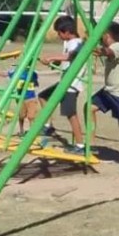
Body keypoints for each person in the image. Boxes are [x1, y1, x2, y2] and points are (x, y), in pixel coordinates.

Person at [34, 16, 89, 153]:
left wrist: (51, 57)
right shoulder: (69, 43)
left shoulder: (78, 43)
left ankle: (80, 146)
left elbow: (70, 57)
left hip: (71, 85)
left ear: (67, 31)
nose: (58, 36)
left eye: (59, 33)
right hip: (64, 82)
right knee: (43, 96)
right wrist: (52, 62)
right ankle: (48, 126)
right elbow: (65, 60)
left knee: (71, 115)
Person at [90, 21, 119, 170]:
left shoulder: (117, 46)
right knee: (89, 107)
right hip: (109, 90)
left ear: (108, 35)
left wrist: (94, 47)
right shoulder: (111, 46)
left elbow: (107, 53)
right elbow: (102, 52)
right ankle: (89, 144)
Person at [0, 63, 41, 137]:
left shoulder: (33, 73)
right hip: (20, 98)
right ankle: (21, 130)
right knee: (21, 115)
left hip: (31, 98)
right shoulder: (16, 72)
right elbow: (4, 74)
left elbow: (36, 83)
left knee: (31, 116)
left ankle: (31, 133)